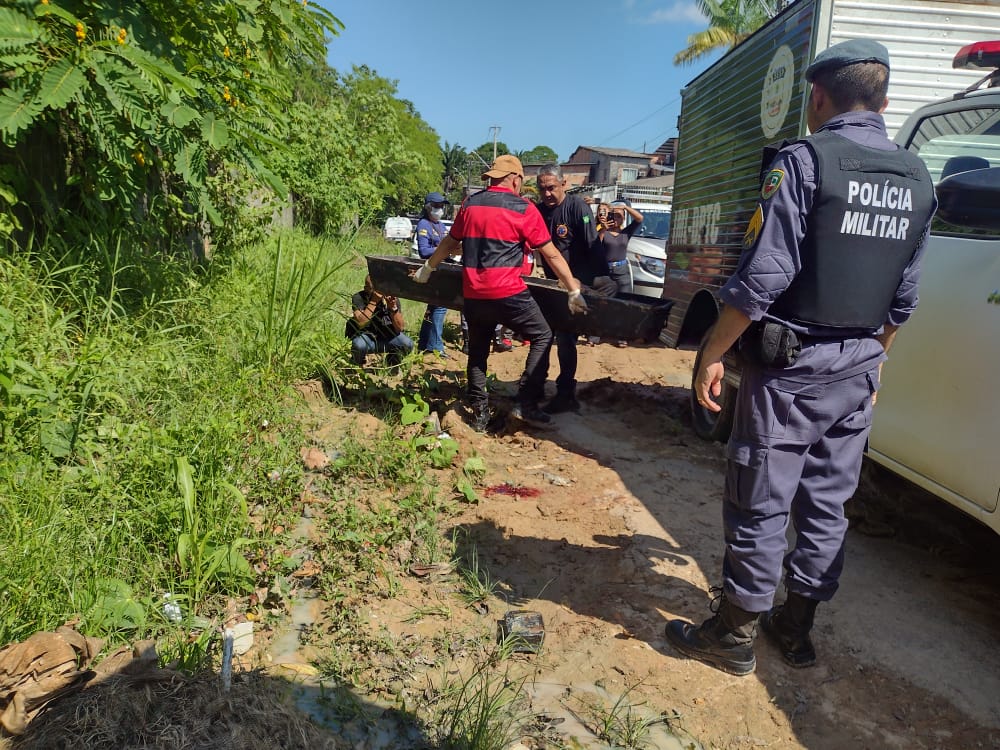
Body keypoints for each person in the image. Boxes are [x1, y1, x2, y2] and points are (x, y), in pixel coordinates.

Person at [664, 39, 936, 676]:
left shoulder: (805, 161)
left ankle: (733, 636)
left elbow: (763, 277)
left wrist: (711, 351)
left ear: (817, 97)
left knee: (760, 495)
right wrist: (875, 365)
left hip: (791, 372)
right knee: (827, 503)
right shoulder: (919, 176)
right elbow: (904, 298)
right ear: (885, 100)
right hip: (860, 369)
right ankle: (797, 627)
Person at [411, 155, 588, 432]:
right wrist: (573, 290)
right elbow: (550, 253)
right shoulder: (524, 208)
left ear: (492, 178)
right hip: (507, 291)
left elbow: (449, 242)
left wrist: (427, 269)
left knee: (478, 350)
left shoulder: (470, 204)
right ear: (516, 179)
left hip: (474, 292)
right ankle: (526, 404)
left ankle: (479, 412)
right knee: (542, 335)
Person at [535, 164, 603, 413]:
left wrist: (582, 284)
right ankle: (535, 386)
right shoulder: (539, 211)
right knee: (541, 335)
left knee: (565, 338)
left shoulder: (577, 208)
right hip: (551, 284)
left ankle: (565, 393)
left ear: (564, 184)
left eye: (551, 188)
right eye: (542, 189)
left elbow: (593, 248)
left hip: (575, 285)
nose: (547, 194)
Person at [596, 201, 644, 347]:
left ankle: (621, 337)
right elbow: (596, 243)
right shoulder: (603, 231)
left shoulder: (626, 232)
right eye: (613, 216)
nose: (616, 219)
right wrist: (603, 229)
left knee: (624, 305)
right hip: (606, 271)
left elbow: (639, 218)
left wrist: (625, 208)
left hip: (622, 272)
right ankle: (595, 335)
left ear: (623, 218)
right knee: (602, 303)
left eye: (619, 216)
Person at [346, 275, 414, 367]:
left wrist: (393, 308)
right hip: (367, 337)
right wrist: (374, 301)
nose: (380, 293)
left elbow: (400, 328)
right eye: (375, 289)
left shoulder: (391, 298)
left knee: (407, 343)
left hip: (388, 338)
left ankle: (392, 362)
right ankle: (357, 363)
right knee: (359, 345)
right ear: (366, 288)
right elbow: (361, 322)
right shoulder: (359, 297)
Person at [415, 192, 451, 357]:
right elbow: (424, 251)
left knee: (433, 307)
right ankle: (436, 346)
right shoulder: (424, 225)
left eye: (441, 206)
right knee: (439, 306)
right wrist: (443, 250)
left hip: (442, 271)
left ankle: (424, 343)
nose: (440, 209)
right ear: (428, 207)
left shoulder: (441, 226)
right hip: (431, 271)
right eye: (436, 206)